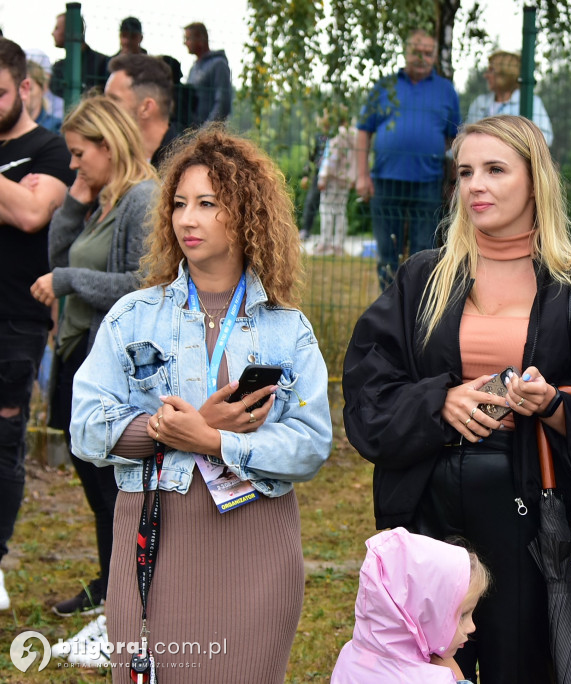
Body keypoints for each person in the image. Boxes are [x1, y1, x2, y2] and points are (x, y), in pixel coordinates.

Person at [343, 115, 571, 682]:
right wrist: (438, 402)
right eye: (465, 172)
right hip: (427, 507)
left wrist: (553, 405)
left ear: (534, 180)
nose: (475, 186)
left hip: (526, 511)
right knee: (428, 665)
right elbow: (367, 389)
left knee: (522, 664)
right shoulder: (424, 277)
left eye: (494, 170)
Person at [69, 127, 332, 682]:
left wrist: (216, 440)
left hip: (256, 542)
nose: (187, 219)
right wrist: (169, 432)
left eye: (208, 204)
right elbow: (87, 428)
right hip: (155, 537)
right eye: (180, 204)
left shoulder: (289, 331)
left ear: (247, 213)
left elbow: (311, 445)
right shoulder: (132, 316)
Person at [28, 96, 158, 631]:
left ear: (109, 145)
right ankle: (111, 584)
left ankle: (126, 597)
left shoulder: (142, 199)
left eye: (81, 155)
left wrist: (68, 283)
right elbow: (59, 254)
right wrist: (75, 200)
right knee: (94, 481)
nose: (73, 165)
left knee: (113, 487)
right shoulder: (104, 199)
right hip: (77, 354)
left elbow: (144, 285)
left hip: (111, 365)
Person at [0, 37, 75, 612]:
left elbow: (30, 214)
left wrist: (19, 200)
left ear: (25, 87)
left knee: (4, 442)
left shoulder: (49, 149)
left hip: (16, 316)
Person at [355, 28, 461, 290]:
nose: (422, 57)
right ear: (405, 52)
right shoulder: (384, 87)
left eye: (428, 52)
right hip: (385, 180)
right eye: (416, 51)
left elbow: (455, 140)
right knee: (387, 252)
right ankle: (387, 311)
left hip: (428, 182)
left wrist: (454, 181)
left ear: (435, 56)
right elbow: (363, 132)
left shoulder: (446, 91)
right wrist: (361, 176)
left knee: (423, 252)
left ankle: (417, 311)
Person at [331, 528, 490, 683]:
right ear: (425, 613)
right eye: (463, 615)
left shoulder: (351, 657)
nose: (472, 627)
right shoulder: (436, 679)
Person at [105, 54, 180, 167]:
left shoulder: (184, 165)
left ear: (146, 108)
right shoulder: (110, 156)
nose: (103, 107)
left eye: (114, 99)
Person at [466, 50, 553, 146]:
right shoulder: (480, 102)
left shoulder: (531, 102)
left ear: (505, 74)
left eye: (491, 70)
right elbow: (466, 135)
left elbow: (545, 138)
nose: (486, 75)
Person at [317, 113, 358, 255]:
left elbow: (332, 157)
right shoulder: (354, 134)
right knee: (340, 211)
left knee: (326, 209)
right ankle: (339, 245)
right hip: (346, 178)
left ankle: (325, 244)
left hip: (332, 177)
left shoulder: (337, 134)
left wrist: (323, 176)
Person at [50, 12, 110, 98]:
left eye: (57, 28)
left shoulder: (102, 63)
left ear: (69, 30)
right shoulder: (58, 68)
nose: (52, 33)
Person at [183, 22, 232, 125]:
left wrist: (207, 130)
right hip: (193, 132)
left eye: (188, 39)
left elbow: (223, 102)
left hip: (209, 135)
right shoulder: (194, 68)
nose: (185, 43)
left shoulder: (219, 64)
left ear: (201, 39)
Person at [26, 60, 61, 133]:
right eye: (17, 88)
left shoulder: (56, 128)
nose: (22, 94)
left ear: (43, 88)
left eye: (29, 88)